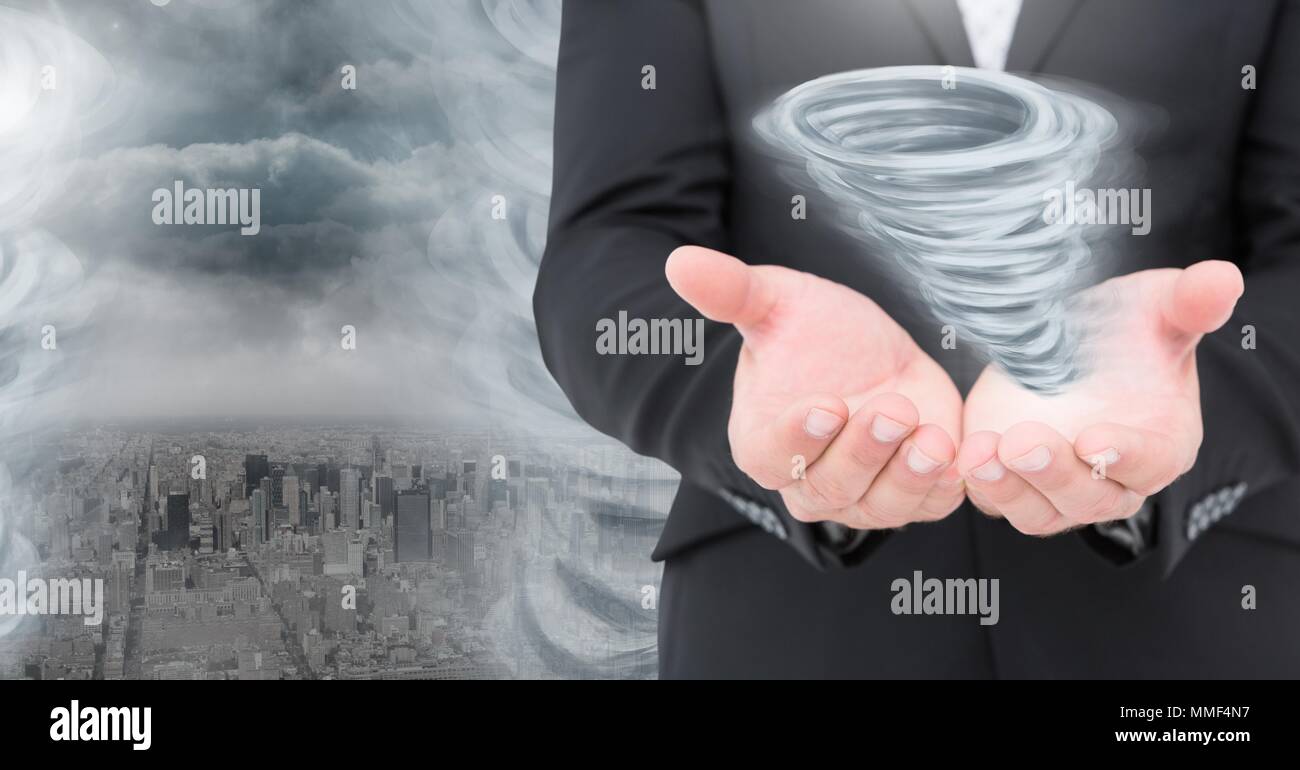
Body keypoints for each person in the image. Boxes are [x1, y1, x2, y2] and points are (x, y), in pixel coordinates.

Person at [534, 0, 1300, 678]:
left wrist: (1195, 392)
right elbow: (607, 248)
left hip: (1194, 624)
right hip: (792, 627)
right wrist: (753, 393)